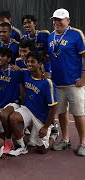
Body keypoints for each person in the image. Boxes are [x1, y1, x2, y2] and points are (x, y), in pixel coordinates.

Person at [48, 8, 85, 156]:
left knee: (78, 114)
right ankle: (65, 140)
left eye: (60, 19)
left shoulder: (76, 34)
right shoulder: (50, 37)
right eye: (55, 19)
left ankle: (83, 143)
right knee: (62, 113)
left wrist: (83, 77)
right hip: (58, 83)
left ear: (67, 20)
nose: (57, 22)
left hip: (74, 83)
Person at [8, 52, 58, 156]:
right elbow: (11, 67)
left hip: (41, 117)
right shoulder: (25, 73)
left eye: (32, 62)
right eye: (28, 62)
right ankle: (22, 147)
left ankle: (54, 134)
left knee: (42, 150)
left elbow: (53, 107)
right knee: (13, 118)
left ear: (39, 64)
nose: (29, 64)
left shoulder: (47, 83)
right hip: (28, 109)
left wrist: (45, 126)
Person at [0, 47, 23, 153]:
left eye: (3, 56)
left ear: (9, 59)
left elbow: (28, 74)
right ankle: (6, 138)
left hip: (12, 103)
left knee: (5, 115)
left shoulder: (16, 72)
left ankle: (9, 140)